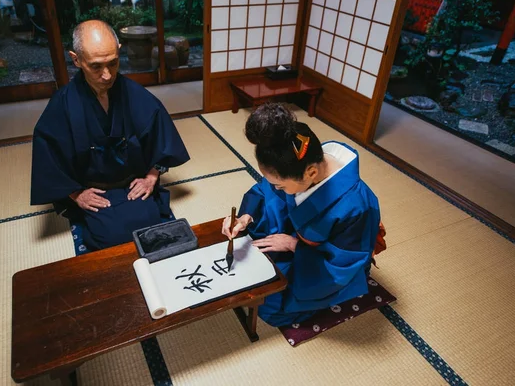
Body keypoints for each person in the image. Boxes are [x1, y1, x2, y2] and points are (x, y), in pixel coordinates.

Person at [31, 20, 189, 251]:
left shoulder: (133, 93)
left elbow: (161, 134)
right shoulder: (63, 104)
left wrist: (152, 177)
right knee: (108, 239)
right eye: (96, 66)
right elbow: (49, 155)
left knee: (151, 228)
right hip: (93, 188)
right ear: (76, 60)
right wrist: (76, 194)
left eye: (113, 63)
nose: (107, 75)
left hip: (132, 181)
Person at [222, 103, 382, 327]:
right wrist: (245, 217)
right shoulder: (298, 158)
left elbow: (343, 263)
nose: (275, 188)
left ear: (312, 173)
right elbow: (265, 192)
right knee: (251, 261)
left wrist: (294, 245)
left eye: (280, 185)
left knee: (268, 305)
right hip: (301, 234)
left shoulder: (357, 206)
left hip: (324, 263)